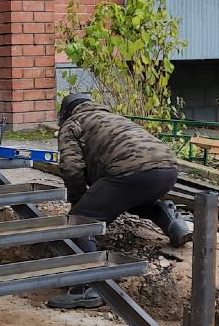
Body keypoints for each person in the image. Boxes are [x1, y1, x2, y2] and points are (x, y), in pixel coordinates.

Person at [48, 94, 192, 309]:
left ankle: (87, 288)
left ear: (66, 113)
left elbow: (71, 167)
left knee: (80, 220)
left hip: (130, 171)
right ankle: (174, 224)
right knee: (132, 197)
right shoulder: (112, 118)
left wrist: (79, 202)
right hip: (167, 169)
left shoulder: (73, 124)